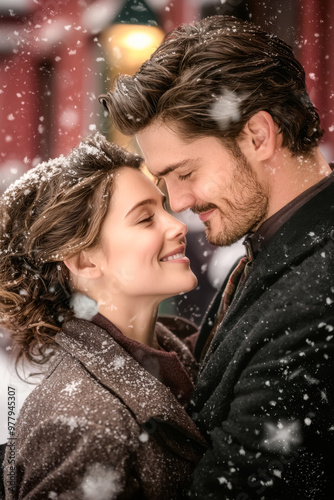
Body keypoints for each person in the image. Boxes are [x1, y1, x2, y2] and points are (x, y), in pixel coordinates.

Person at [99, 15, 334, 499]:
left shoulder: (317, 297)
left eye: (184, 172)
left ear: (258, 137)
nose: (178, 202)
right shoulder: (281, 247)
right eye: (164, 183)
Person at [0, 133, 207, 500]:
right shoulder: (80, 422)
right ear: (83, 260)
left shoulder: (187, 356)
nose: (176, 224)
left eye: (163, 207)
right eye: (145, 219)